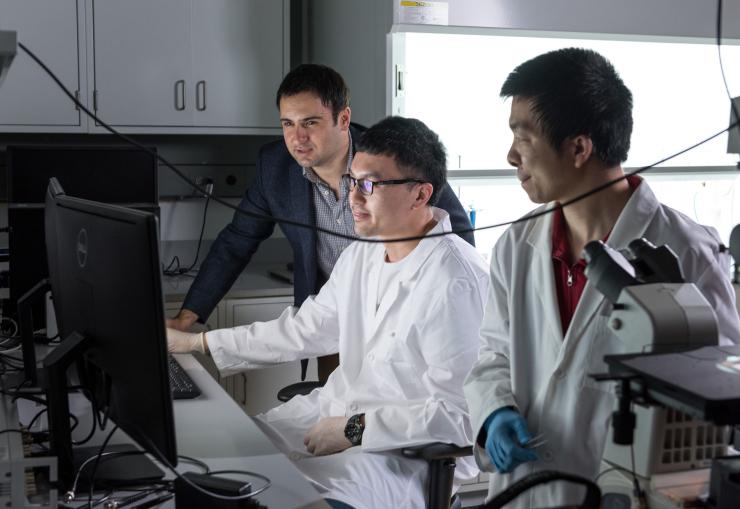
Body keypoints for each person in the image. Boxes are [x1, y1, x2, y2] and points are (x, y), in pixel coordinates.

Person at [463, 47, 740, 508]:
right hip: (525, 489)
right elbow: (494, 353)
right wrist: (494, 412)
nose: (511, 155)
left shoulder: (687, 252)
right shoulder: (517, 245)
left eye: (523, 137)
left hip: (627, 492)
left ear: (578, 147)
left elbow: (720, 393)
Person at [167, 116, 489, 509]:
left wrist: (356, 430)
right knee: (211, 463)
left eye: (369, 185)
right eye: (353, 182)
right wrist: (196, 341)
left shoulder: (456, 280)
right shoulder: (361, 255)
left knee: (279, 500)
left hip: (400, 460)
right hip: (329, 415)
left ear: (420, 195)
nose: (352, 197)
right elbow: (303, 331)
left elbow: (463, 418)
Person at [167, 64, 474, 382]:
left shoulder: (388, 159)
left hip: (404, 317)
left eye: (310, 123)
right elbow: (237, 241)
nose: (297, 138)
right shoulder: (276, 168)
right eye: (287, 123)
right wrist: (188, 323)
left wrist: (431, 295)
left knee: (384, 410)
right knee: (340, 404)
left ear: (343, 119)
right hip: (334, 315)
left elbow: (457, 234)